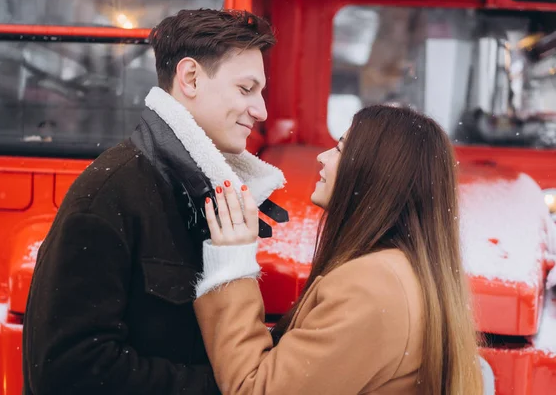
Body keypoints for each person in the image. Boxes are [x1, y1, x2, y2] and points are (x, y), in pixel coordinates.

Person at [22, 9, 285, 394]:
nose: (260, 110)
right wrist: (226, 387)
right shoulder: (109, 194)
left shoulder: (203, 193)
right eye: (246, 89)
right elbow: (68, 371)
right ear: (190, 78)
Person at [193, 105, 484, 394]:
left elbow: (258, 390)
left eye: (339, 149)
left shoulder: (371, 286)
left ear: (374, 173)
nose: (322, 157)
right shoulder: (408, 274)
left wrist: (232, 266)